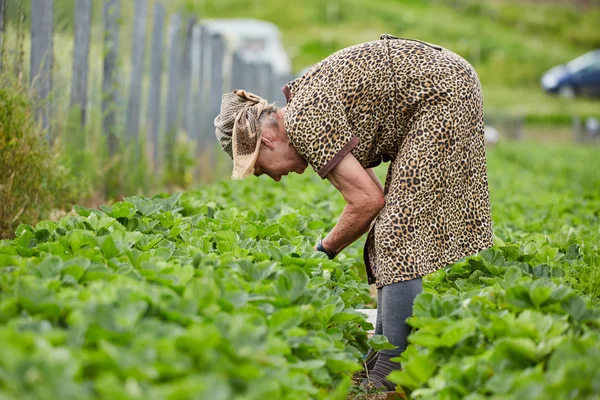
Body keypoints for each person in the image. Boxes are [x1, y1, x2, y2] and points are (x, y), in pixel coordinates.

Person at [214, 34, 494, 391]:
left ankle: (389, 375)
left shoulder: (304, 122)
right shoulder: (304, 111)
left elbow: (366, 202)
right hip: (445, 82)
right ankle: (379, 360)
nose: (275, 177)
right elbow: (373, 195)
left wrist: (324, 251)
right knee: (392, 227)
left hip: (441, 94)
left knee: (397, 230)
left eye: (261, 168)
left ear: (267, 140)